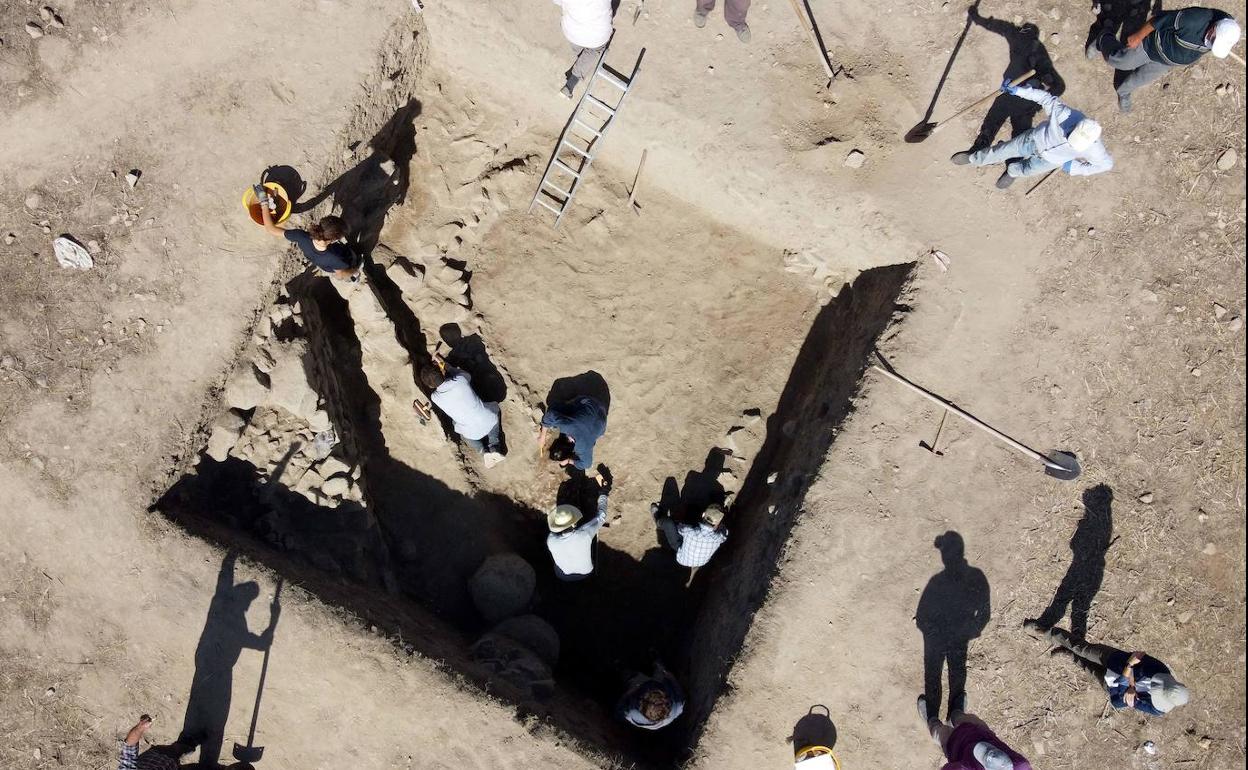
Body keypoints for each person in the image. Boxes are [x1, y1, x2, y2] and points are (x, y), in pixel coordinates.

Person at [951, 81, 1113, 189]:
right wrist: (1018, 91)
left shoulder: (1095, 150)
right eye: (1071, 136)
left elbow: (1106, 165)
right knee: (1002, 151)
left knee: (1027, 170)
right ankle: (974, 158)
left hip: (1050, 161)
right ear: (1075, 126)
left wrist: (1074, 168)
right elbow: (1045, 98)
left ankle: (1012, 171)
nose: (1071, 142)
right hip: (1033, 140)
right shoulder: (1066, 115)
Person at [1087, 8, 1241, 113]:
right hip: (1151, 46)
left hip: (1166, 61)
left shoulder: (1228, 27)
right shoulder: (1193, 20)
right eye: (1214, 41)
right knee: (1120, 61)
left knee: (1141, 79)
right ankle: (1103, 39)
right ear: (1214, 28)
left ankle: (1123, 91)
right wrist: (1139, 36)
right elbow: (1159, 20)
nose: (1212, 45)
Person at [1023, 621, 1190, 716]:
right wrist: (1129, 682)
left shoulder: (1156, 708)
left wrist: (1129, 676)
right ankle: (1046, 632)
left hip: (1111, 684)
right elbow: (1136, 655)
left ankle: (1069, 654)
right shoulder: (1159, 669)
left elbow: (1117, 702)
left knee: (1087, 666)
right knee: (1083, 648)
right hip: (1114, 659)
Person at [420, 363, 505, 468]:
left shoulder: (435, 397)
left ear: (430, 386)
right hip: (487, 419)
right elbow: (466, 375)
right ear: (441, 372)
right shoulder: (461, 379)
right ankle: (494, 447)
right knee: (494, 414)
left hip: (471, 434)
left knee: (458, 426)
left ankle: (484, 452)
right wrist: (448, 367)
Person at [917, 697, 1033, 770]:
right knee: (964, 718)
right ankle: (956, 713)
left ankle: (932, 721)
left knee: (940, 733)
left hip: (954, 744)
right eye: (989, 749)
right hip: (980, 731)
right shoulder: (1022, 765)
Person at [258, 197, 359, 281]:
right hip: (333, 263)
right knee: (351, 261)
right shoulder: (336, 259)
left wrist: (264, 202)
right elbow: (340, 275)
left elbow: (270, 229)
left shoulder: (301, 236)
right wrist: (354, 271)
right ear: (334, 239)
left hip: (318, 260)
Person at [546, 474, 610, 580]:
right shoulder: (584, 534)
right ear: (573, 524)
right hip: (586, 573)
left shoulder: (550, 540)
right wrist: (604, 493)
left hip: (563, 576)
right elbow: (601, 517)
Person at [553, 0, 613, 98]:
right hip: (598, 35)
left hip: (571, 32)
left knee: (579, 41)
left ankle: (581, 61)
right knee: (594, 49)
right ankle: (571, 82)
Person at [539, 395, 607, 474]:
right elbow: (549, 416)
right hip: (593, 406)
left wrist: (569, 461)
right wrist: (542, 436)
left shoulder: (582, 448)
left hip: (600, 414)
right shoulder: (568, 428)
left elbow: (587, 464)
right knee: (557, 414)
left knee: (554, 408)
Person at [653, 502, 729, 568]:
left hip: (682, 558)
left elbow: (678, 528)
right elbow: (725, 532)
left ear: (703, 515)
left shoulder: (689, 531)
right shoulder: (719, 538)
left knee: (668, 523)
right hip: (701, 563)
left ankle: (658, 519)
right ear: (718, 524)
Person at [617, 663, 685, 730]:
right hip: (658, 682)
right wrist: (666, 673)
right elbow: (675, 684)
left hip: (639, 685)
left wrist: (628, 693)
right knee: (659, 668)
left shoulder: (632, 713)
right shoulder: (677, 704)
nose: (649, 690)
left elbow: (618, 711)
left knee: (630, 676)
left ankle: (620, 667)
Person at [117, 715, 196, 770]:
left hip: (161, 756)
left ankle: (187, 744)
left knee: (179, 748)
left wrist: (140, 728)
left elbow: (129, 747)